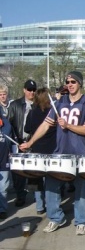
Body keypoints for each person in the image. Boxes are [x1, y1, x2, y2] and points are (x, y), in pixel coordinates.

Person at [20, 71, 85, 236]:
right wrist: (30, 142)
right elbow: (46, 125)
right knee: (51, 187)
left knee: (81, 190)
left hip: (79, 154)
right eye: (67, 81)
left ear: (80, 84)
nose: (69, 84)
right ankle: (55, 218)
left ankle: (81, 221)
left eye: (73, 82)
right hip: (59, 153)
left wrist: (68, 125)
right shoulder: (59, 103)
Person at [24, 87, 57, 214]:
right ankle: (51, 204)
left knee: (37, 178)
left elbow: (27, 129)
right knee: (50, 179)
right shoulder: (53, 112)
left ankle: (39, 206)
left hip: (36, 148)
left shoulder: (32, 113)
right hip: (51, 148)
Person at [8, 79, 37, 207]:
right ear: (24, 90)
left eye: (34, 90)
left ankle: (36, 196)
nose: (32, 92)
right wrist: (14, 141)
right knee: (18, 172)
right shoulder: (15, 105)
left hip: (34, 142)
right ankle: (20, 195)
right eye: (29, 90)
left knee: (34, 171)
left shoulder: (38, 105)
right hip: (18, 141)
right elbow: (9, 124)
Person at [0, 108, 13, 219]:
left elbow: (12, 140)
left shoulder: (6, 125)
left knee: (3, 187)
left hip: (4, 159)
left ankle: (2, 209)